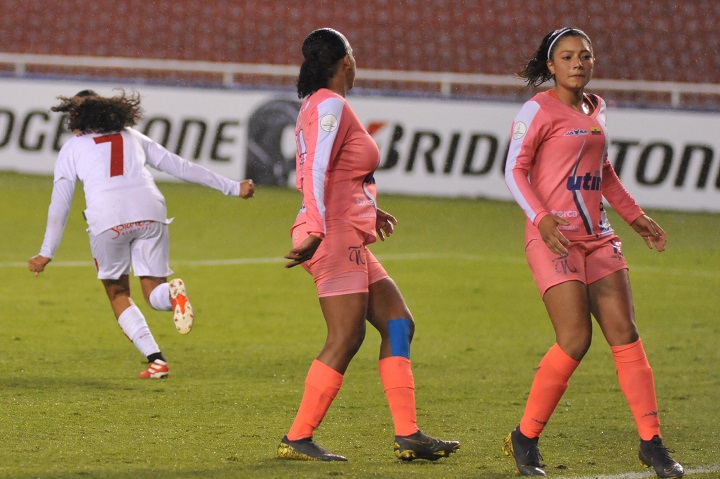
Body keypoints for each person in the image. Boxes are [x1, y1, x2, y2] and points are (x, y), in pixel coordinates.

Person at [501, 27, 683, 478]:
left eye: (585, 55)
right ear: (551, 65)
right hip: (555, 238)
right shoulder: (536, 109)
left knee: (625, 333)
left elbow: (604, 172)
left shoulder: (596, 107)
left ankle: (651, 443)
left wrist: (636, 217)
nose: (578, 62)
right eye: (567, 57)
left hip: (599, 237)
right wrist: (541, 218)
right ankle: (526, 436)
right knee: (576, 339)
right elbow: (514, 169)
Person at [277, 28, 460, 462]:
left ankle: (409, 434)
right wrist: (319, 229)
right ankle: (298, 436)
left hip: (344, 229)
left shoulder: (317, 105)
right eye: (354, 55)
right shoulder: (331, 105)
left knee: (399, 323)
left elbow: (337, 171)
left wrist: (368, 210)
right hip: (331, 234)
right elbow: (316, 170)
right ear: (345, 62)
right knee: (346, 335)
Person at [28, 89, 255, 379]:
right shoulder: (132, 136)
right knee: (153, 292)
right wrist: (233, 187)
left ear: (78, 118)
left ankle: (156, 358)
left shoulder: (73, 148)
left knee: (119, 292)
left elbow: (60, 203)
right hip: (150, 210)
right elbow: (179, 166)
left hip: (108, 218)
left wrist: (47, 251)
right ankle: (168, 312)